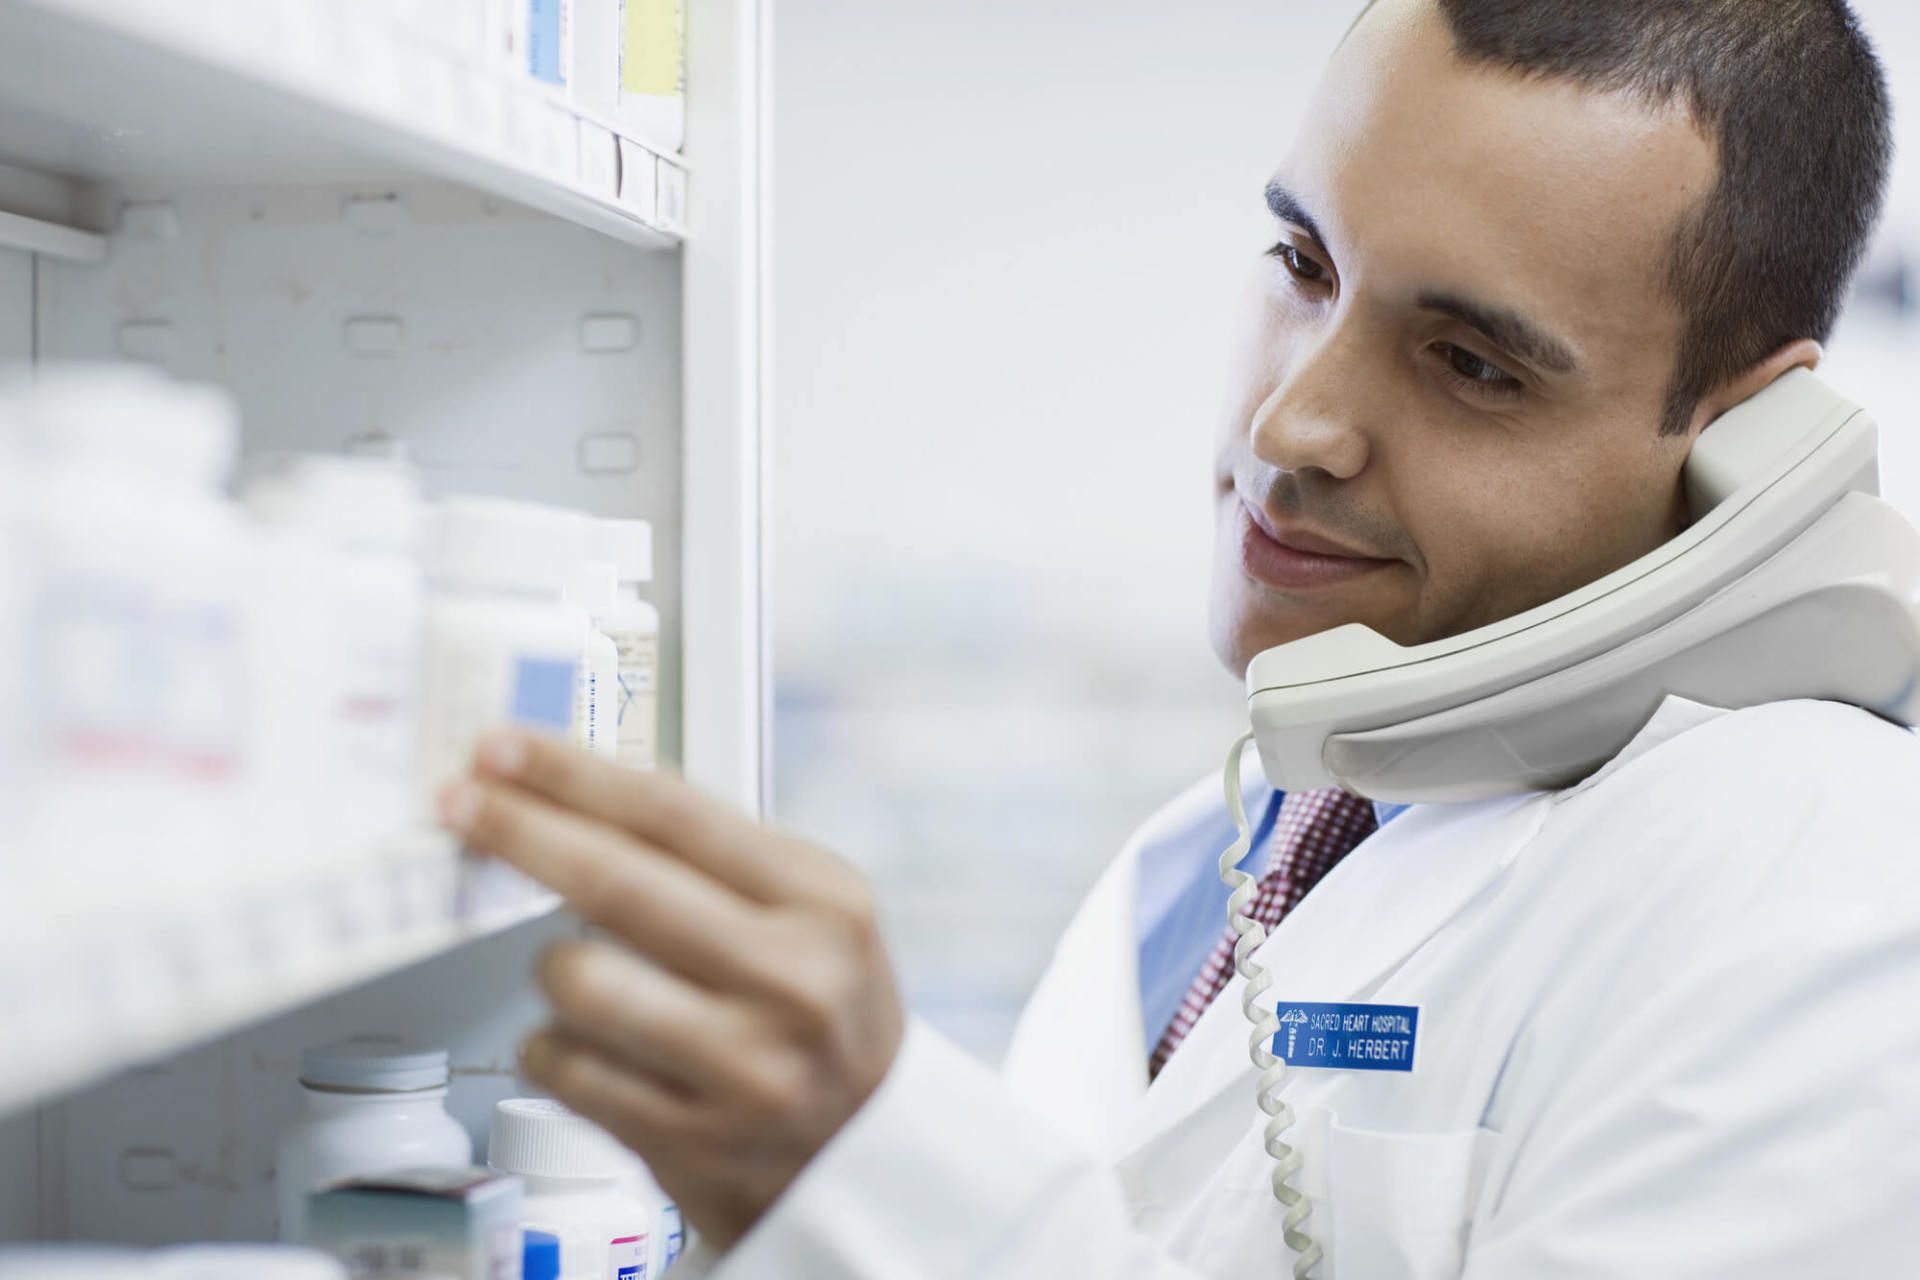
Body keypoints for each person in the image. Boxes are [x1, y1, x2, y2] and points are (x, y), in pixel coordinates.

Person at [434, 0, 1920, 1274]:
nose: (1290, 424)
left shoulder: (1832, 887)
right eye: (1301, 266)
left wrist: (881, 1176)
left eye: (1469, 363)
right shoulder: (1196, 877)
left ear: (1742, 437)